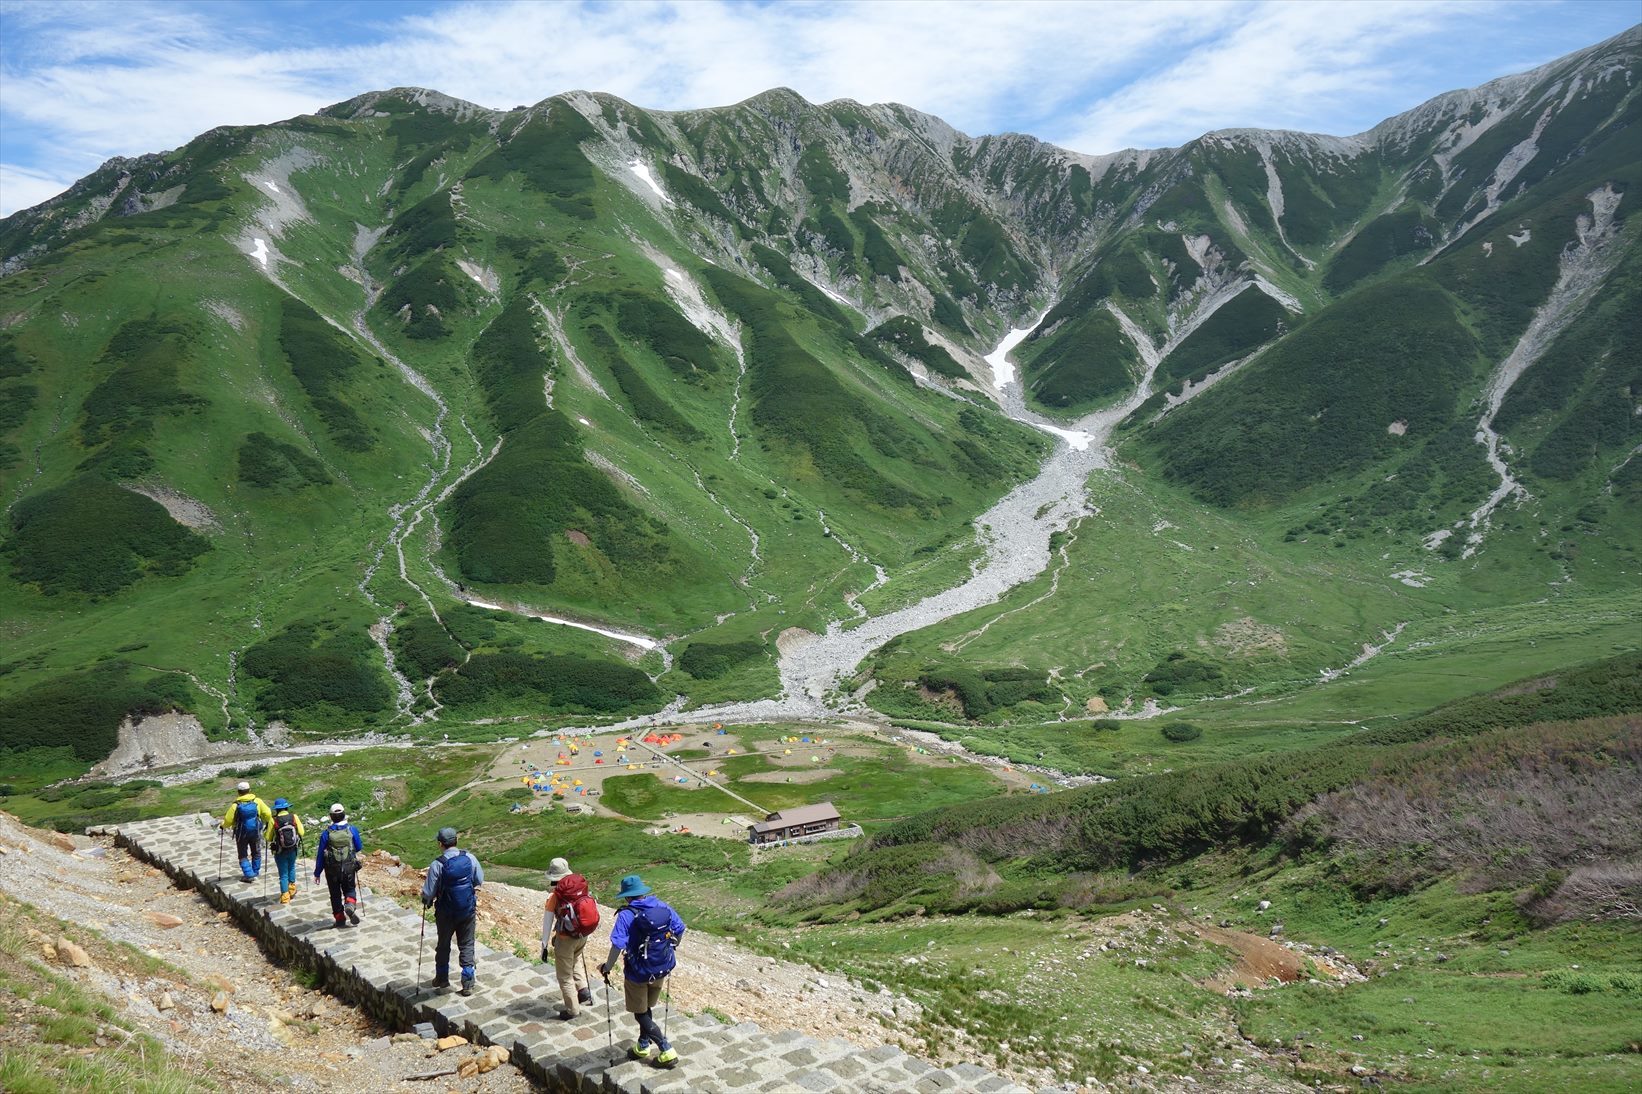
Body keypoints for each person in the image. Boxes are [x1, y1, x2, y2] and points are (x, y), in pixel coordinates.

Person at [597, 874, 684, 1069]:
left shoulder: (626, 915)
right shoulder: (661, 906)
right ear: (643, 892)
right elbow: (680, 927)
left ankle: (666, 1049)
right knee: (646, 1008)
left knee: (639, 1013)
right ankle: (643, 1045)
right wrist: (671, 947)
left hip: (638, 972)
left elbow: (618, 944)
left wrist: (607, 967)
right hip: (661, 967)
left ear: (627, 897)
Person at [422, 827, 482, 996]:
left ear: (440, 844)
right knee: (467, 944)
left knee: (443, 944)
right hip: (467, 911)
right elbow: (479, 880)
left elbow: (428, 893)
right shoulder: (470, 858)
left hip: (445, 913)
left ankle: (442, 977)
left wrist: (426, 901)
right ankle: (468, 981)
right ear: (457, 840)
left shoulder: (437, 864)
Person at [542, 857, 597, 1020]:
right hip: (583, 934)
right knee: (576, 959)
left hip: (566, 938)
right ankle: (584, 992)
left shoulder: (556, 897)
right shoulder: (580, 888)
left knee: (564, 976)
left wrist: (544, 945)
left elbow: (547, 921)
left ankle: (573, 1010)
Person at [312, 804, 362, 928]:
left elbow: (320, 855)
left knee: (334, 894)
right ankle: (350, 904)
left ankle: (340, 919)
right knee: (349, 889)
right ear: (344, 815)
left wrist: (317, 873)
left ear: (331, 817)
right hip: (349, 866)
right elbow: (359, 847)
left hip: (331, 869)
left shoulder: (326, 833)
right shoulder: (351, 829)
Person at [219, 781, 272, 884]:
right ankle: (255, 872)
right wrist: (265, 820)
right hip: (255, 831)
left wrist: (223, 825)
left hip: (241, 833)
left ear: (238, 792)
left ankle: (248, 874)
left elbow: (228, 821)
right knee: (256, 852)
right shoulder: (257, 801)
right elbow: (268, 813)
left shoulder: (235, 805)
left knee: (243, 854)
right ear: (249, 790)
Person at [269, 797, 306, 904]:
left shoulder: (273, 820)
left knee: (283, 873)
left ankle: (285, 896)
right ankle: (292, 888)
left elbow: (268, 837)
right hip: (293, 848)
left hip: (280, 851)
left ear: (276, 809)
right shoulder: (294, 817)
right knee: (292, 867)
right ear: (286, 807)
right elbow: (302, 832)